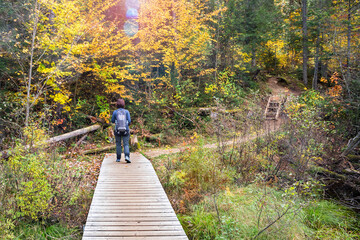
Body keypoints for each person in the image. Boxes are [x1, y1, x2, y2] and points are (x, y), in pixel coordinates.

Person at [111, 99, 131, 163]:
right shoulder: (127, 112)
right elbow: (129, 121)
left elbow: (112, 121)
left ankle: (118, 158)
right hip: (126, 130)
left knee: (118, 144)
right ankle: (127, 156)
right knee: (126, 144)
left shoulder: (115, 112)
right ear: (123, 104)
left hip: (117, 130)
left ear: (117, 104)